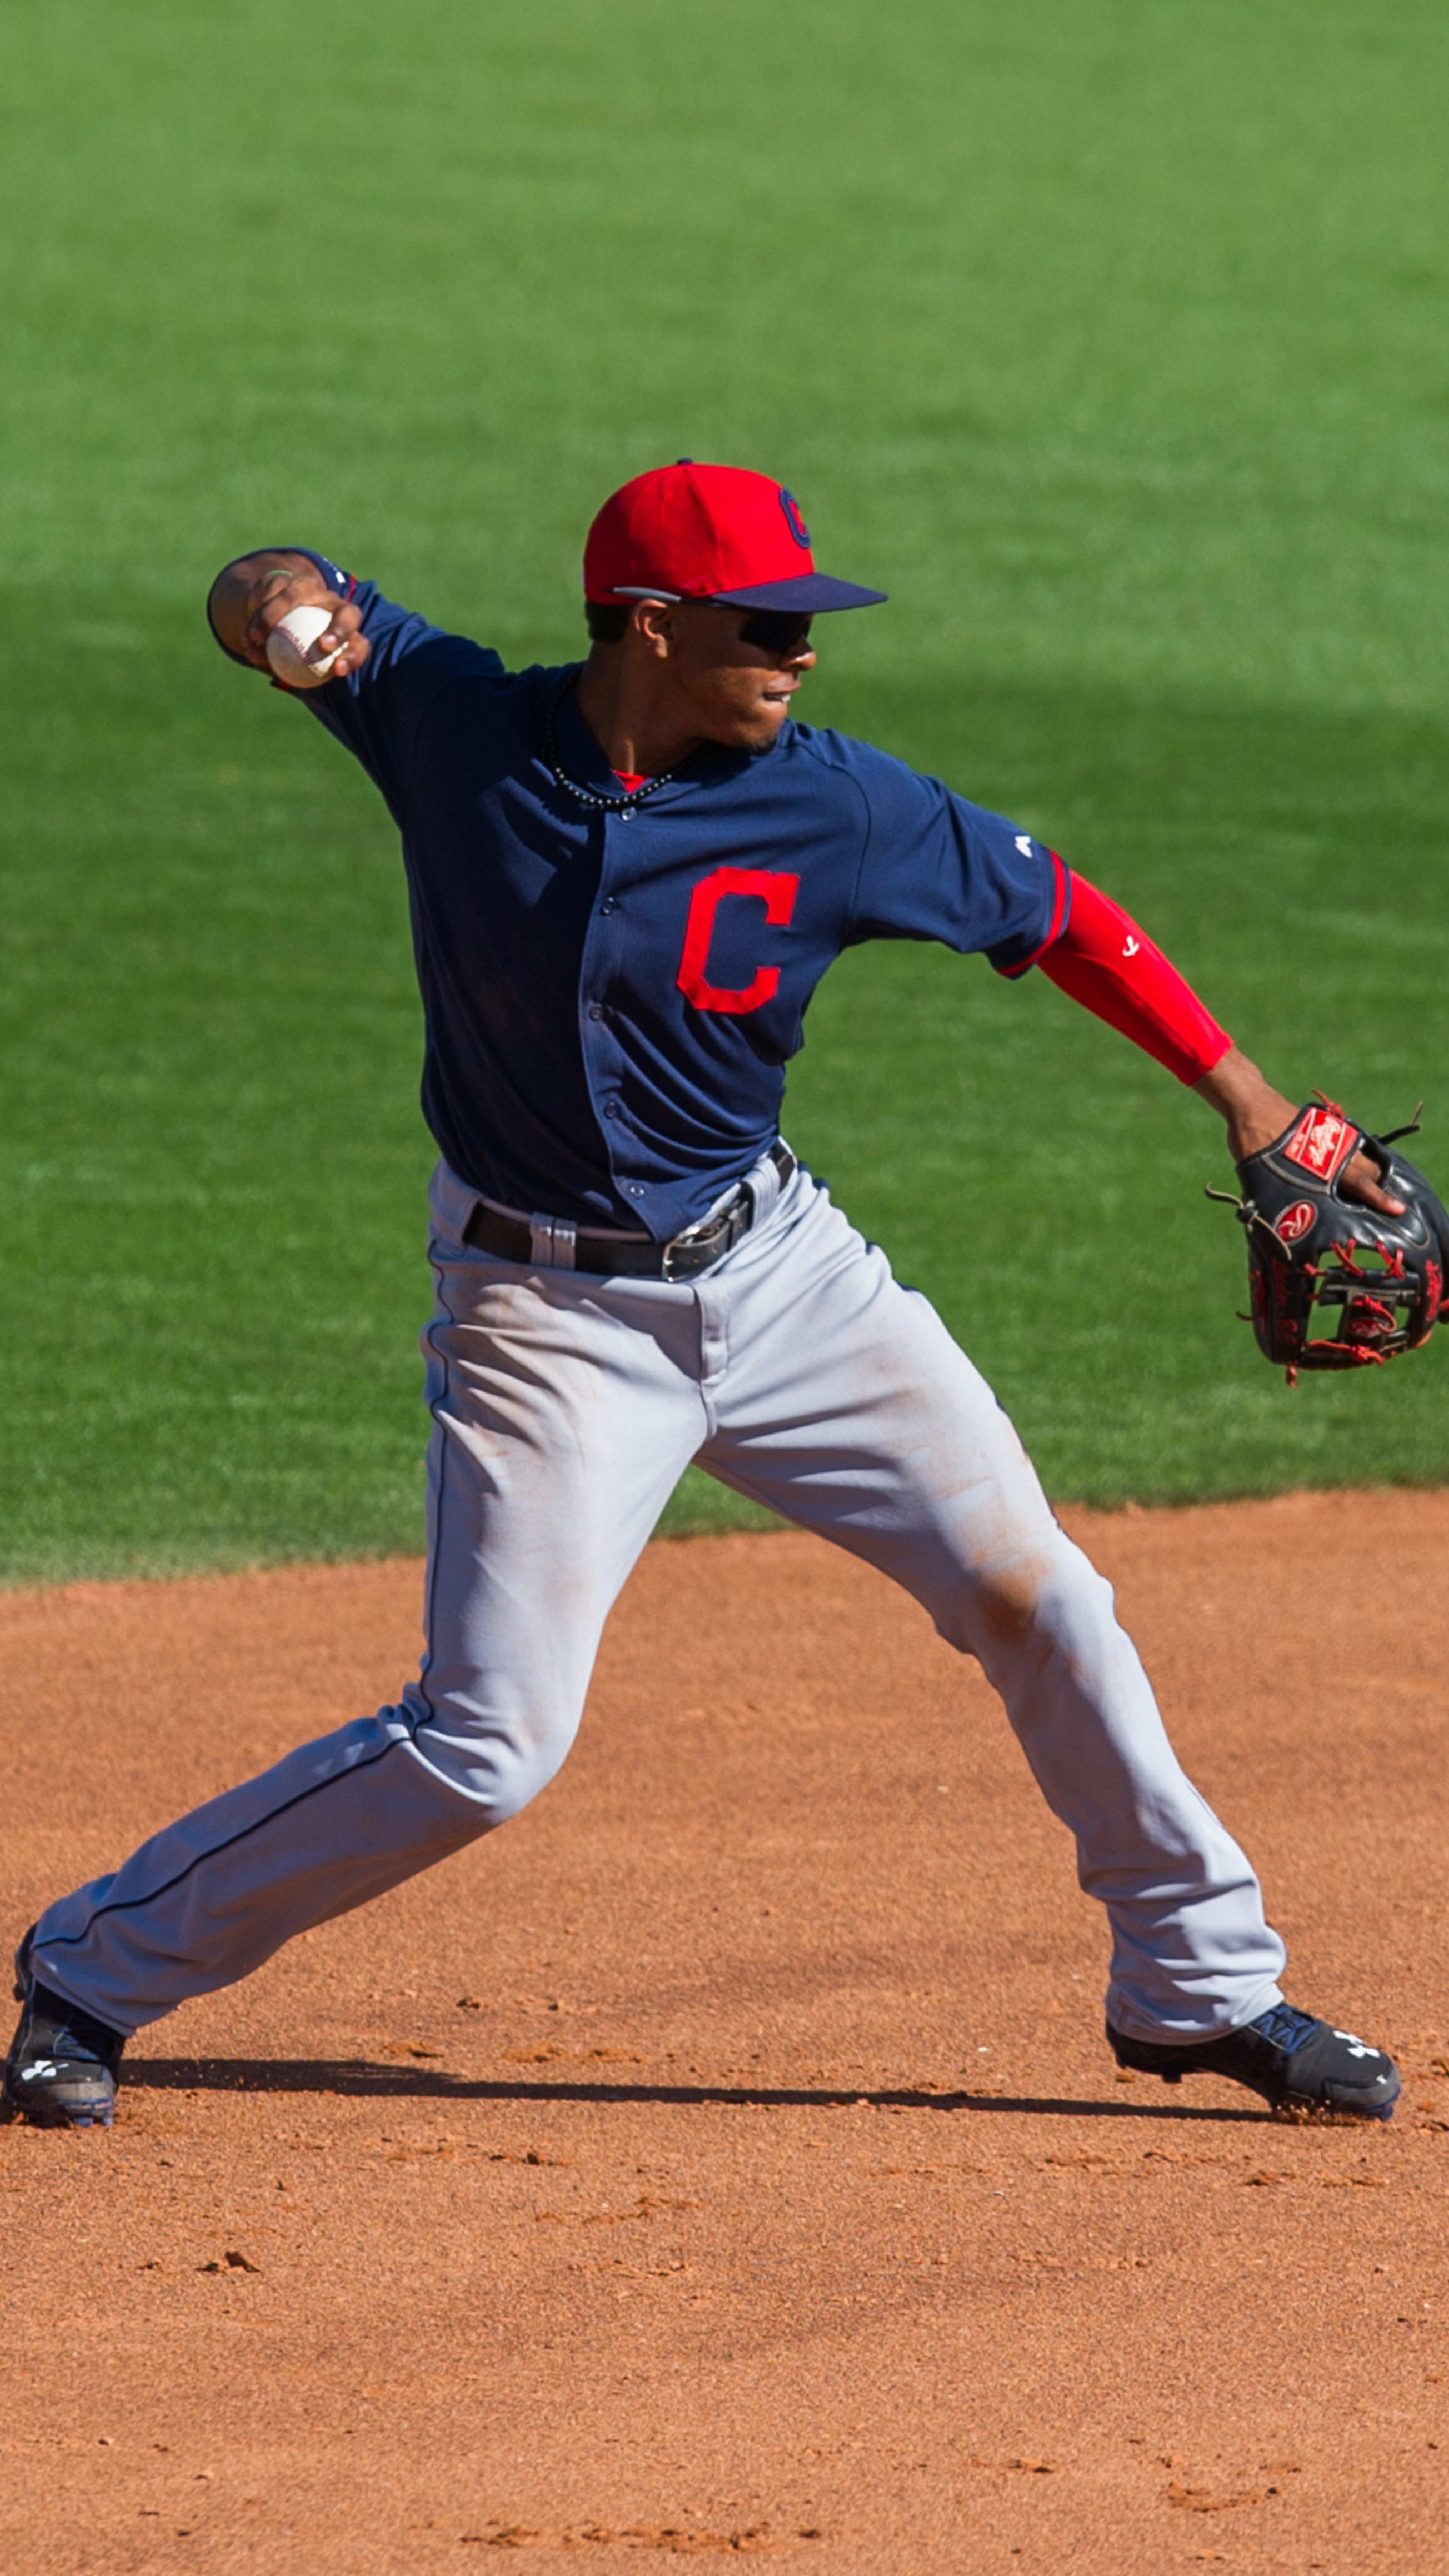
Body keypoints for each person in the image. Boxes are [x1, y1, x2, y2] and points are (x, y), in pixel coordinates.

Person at [4, 462, 1402, 2132]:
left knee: (1047, 1598)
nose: (803, 655)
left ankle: (1199, 1984)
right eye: (772, 624)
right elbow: (271, 580)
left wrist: (1247, 1098)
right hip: (549, 1323)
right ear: (653, 628)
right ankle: (91, 1969)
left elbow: (1058, 914)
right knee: (486, 1744)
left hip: (788, 1276)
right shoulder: (454, 726)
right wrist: (280, 609)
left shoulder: (842, 803)